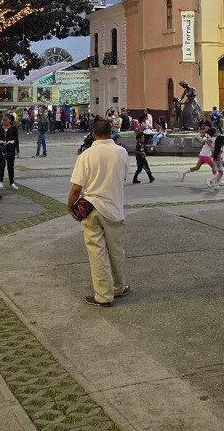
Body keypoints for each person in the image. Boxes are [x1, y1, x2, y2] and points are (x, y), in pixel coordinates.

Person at [67, 118, 131, 307]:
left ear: (93, 134)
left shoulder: (86, 155)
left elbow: (76, 188)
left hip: (91, 208)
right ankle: (119, 287)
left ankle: (103, 296)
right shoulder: (121, 152)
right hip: (114, 208)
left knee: (97, 251)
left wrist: (70, 206)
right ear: (111, 133)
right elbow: (124, 176)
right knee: (117, 251)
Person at [0, 113, 20, 190]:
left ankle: (12, 182)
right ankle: (0, 181)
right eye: (3, 120)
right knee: (1, 166)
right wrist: (1, 142)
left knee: (10, 166)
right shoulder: (0, 128)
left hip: (11, 149)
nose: (4, 121)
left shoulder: (13, 128)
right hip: (2, 148)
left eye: (5, 120)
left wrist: (17, 150)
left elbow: (16, 139)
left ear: (10, 120)